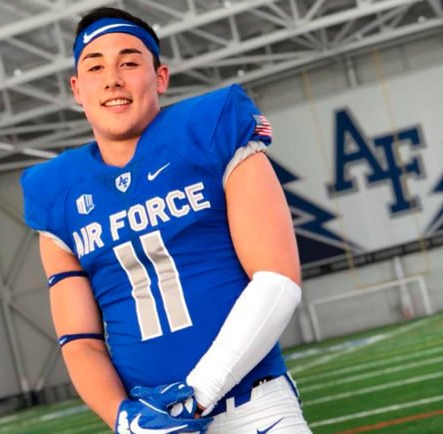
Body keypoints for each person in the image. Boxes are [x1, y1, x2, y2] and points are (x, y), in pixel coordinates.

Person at [21, 6, 311, 433]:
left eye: (129, 62)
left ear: (160, 77)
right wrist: (125, 419)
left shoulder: (210, 128)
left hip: (252, 409)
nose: (112, 79)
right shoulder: (55, 190)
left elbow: (277, 280)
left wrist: (196, 395)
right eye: (95, 67)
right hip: (152, 423)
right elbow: (79, 341)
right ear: (77, 89)